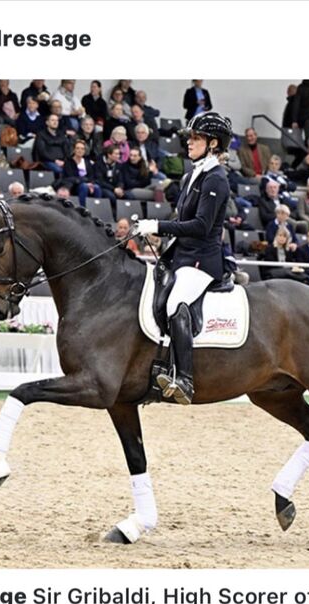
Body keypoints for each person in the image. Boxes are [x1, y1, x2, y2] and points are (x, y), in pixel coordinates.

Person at [134, 112, 233, 405]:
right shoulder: (191, 175)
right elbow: (181, 220)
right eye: (189, 138)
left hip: (202, 260)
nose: (189, 143)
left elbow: (201, 226)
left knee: (176, 303)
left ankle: (185, 379)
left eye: (196, 138)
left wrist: (157, 225)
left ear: (213, 143)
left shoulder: (216, 179)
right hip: (183, 256)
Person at [62, 140, 102, 207]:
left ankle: (96, 208)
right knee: (84, 186)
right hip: (74, 185)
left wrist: (91, 184)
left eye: (82, 149)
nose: (80, 150)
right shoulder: (69, 162)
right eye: (77, 148)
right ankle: (82, 208)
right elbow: (71, 177)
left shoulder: (87, 161)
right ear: (74, 150)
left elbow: (92, 175)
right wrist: (86, 182)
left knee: (97, 187)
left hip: (87, 183)